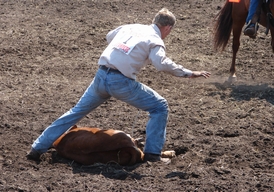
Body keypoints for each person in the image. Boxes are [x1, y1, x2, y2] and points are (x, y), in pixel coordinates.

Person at [26, 8, 211, 163]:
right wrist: (188, 72)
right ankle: (153, 155)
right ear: (168, 28)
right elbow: (160, 64)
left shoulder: (130, 27)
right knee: (159, 106)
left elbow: (109, 36)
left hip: (101, 76)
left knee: (76, 112)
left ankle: (37, 147)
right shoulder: (156, 40)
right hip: (121, 82)